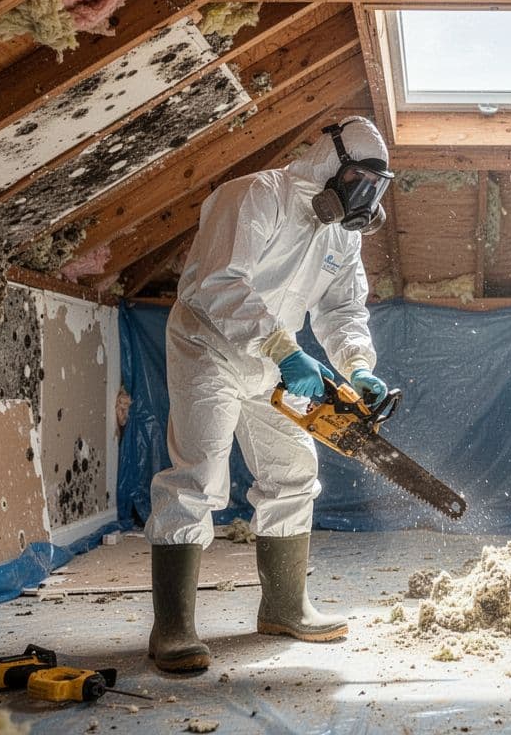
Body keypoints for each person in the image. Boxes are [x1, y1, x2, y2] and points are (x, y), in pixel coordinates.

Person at [144, 116, 395, 672]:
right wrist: (283, 348)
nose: (363, 196)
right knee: (199, 475)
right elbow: (218, 283)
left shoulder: (342, 234)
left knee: (294, 472)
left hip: (276, 360)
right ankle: (174, 627)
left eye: (376, 187)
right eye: (357, 180)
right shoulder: (255, 195)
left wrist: (356, 366)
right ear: (328, 162)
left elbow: (342, 308)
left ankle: (283, 606)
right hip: (208, 344)